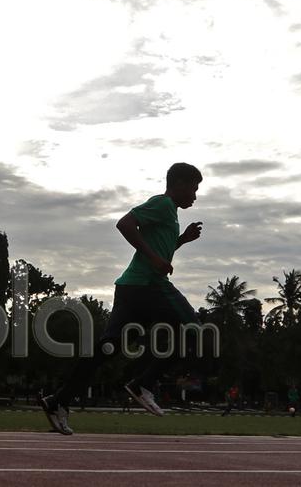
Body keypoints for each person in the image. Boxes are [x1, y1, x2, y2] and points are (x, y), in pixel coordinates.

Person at [40, 163, 205, 435]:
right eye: (194, 189)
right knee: (194, 330)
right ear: (179, 184)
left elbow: (159, 248)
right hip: (149, 286)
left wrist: (181, 241)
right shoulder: (163, 204)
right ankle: (144, 383)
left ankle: (57, 401)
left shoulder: (169, 213)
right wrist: (154, 259)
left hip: (129, 288)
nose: (195, 196)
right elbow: (125, 223)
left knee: (106, 349)